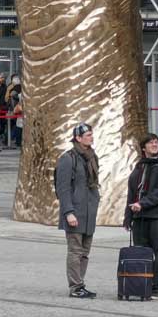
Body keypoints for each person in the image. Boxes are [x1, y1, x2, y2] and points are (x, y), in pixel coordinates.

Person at [124, 133, 158, 299]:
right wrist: (128, 216)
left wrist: (143, 203)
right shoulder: (140, 166)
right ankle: (142, 284)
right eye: (150, 142)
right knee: (141, 253)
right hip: (139, 217)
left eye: (156, 142)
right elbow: (132, 192)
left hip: (157, 217)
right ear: (143, 147)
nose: (154, 145)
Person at [55, 123, 101, 299]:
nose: (91, 137)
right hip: (75, 212)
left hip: (89, 212)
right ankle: (75, 286)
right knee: (75, 251)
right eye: (88, 135)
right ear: (78, 138)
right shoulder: (68, 159)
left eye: (91, 134)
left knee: (84, 252)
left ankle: (80, 283)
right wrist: (68, 212)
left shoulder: (92, 156)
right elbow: (63, 188)